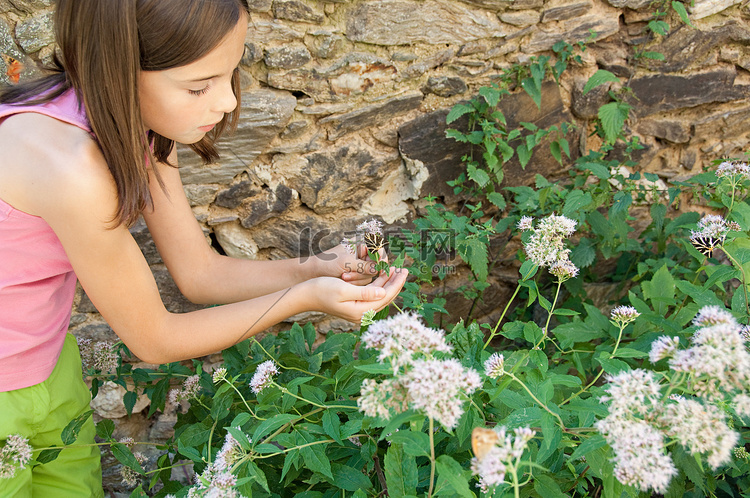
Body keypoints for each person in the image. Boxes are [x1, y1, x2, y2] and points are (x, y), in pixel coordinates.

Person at [0, 0, 407, 495]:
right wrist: (305, 300)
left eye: (229, 73)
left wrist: (315, 269)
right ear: (120, 69)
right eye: (199, 85)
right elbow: (152, 339)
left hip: (46, 364)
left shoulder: (129, 125)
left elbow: (199, 274)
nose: (229, 102)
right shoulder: (68, 168)